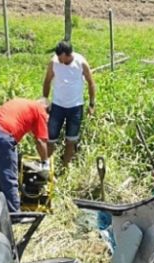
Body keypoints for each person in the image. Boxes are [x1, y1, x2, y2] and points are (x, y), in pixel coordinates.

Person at [0, 98, 49, 212]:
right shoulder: (40, 110)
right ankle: (14, 214)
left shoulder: (23, 102)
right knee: (9, 177)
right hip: (2, 135)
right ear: (47, 110)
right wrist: (45, 163)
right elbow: (40, 141)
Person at [42, 40, 97, 169]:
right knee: (50, 139)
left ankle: (65, 168)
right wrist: (45, 100)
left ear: (68, 54)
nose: (59, 60)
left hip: (75, 107)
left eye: (61, 57)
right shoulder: (54, 62)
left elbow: (91, 83)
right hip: (57, 106)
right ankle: (47, 168)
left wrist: (92, 103)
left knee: (71, 140)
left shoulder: (81, 63)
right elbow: (47, 81)